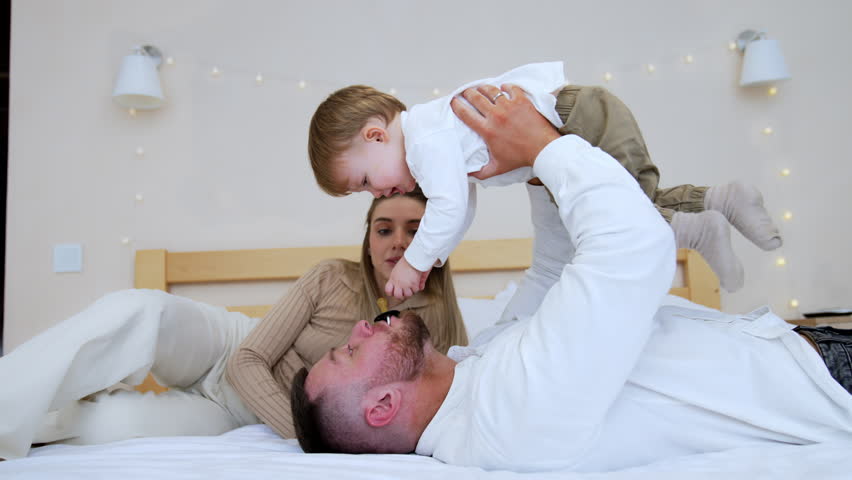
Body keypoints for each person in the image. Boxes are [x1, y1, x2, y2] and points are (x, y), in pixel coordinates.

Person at [290, 85, 852, 472]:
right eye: (346, 353)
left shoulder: (478, 369)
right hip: (826, 382)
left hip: (803, 349)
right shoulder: (506, 417)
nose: (361, 329)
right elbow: (635, 250)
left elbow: (558, 273)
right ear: (382, 407)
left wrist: (536, 175)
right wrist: (545, 146)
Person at [0, 189, 467, 461]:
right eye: (384, 229)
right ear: (367, 241)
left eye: (415, 229)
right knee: (141, 311)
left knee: (108, 426)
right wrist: (308, 437)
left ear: (436, 239)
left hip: (241, 416)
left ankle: (28, 419)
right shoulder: (331, 277)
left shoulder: (433, 333)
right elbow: (248, 359)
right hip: (228, 349)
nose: (398, 242)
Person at [307, 61, 781, 296]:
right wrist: (436, 255)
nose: (377, 193)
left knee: (625, 212)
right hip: (575, 121)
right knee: (640, 195)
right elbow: (460, 207)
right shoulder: (434, 143)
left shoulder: (424, 140)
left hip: (572, 120)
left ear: (376, 135)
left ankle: (700, 230)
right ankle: (722, 199)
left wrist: (416, 262)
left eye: (367, 181)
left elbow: (449, 207)